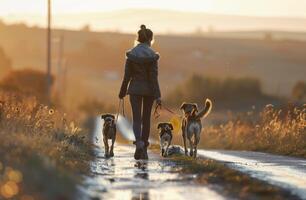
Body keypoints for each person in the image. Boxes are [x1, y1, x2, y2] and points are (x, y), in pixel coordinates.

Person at [119, 24, 161, 160]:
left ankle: (139, 144)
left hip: (135, 90)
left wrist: (122, 92)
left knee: (136, 119)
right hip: (149, 91)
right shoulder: (152, 56)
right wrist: (158, 96)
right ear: (150, 39)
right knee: (146, 119)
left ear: (138, 39)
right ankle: (145, 148)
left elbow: (127, 76)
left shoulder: (131, 55)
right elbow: (154, 78)